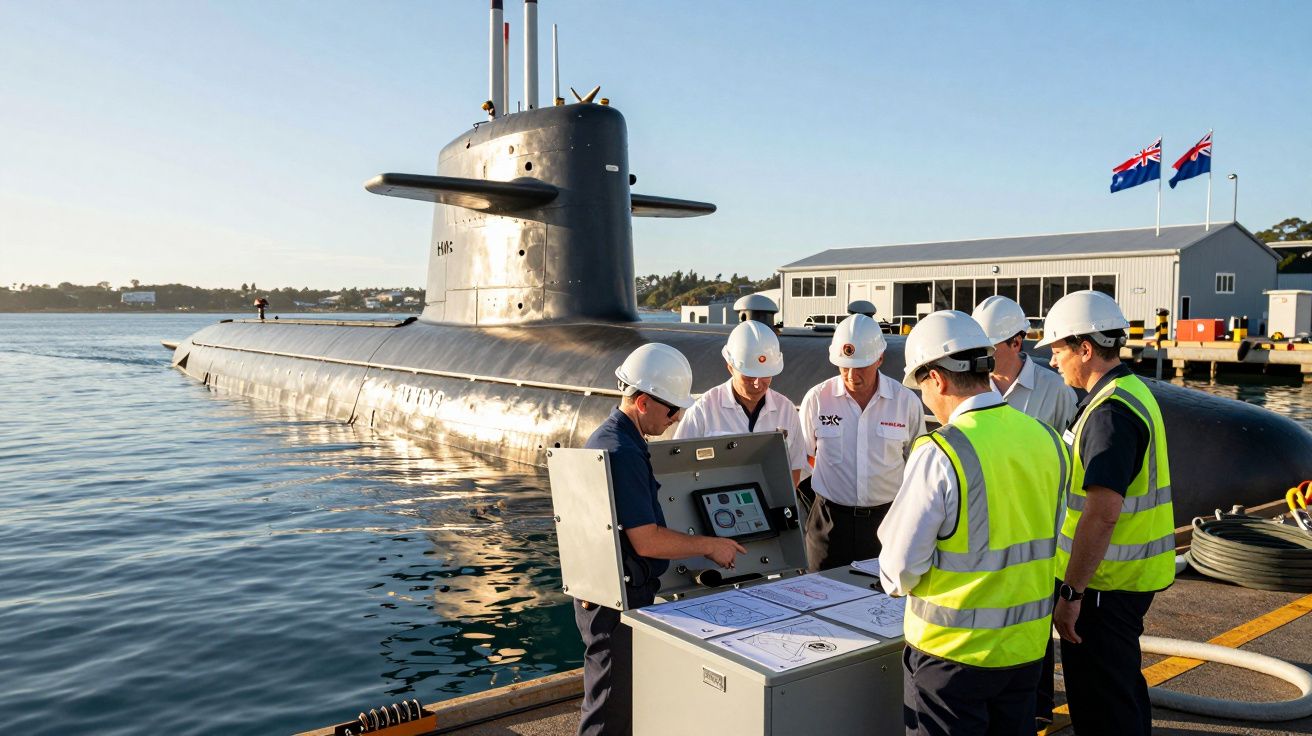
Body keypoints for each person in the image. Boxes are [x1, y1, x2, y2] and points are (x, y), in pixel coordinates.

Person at [879, 311, 1068, 736]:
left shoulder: (941, 451)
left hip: (952, 658)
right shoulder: (1048, 440)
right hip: (1024, 652)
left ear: (937, 379)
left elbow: (899, 570)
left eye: (920, 385)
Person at [575, 343, 746, 736]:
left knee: (619, 700)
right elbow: (647, 541)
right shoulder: (622, 451)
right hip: (615, 600)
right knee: (608, 709)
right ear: (642, 402)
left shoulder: (615, 438)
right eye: (672, 409)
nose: (678, 417)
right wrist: (710, 545)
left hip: (611, 590)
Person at [1038, 290, 1175, 736]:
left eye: (1058, 349)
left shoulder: (1109, 413)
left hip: (1103, 585)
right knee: (1120, 690)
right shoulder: (1131, 392)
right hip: (1123, 581)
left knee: (1101, 707)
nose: (1054, 361)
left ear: (1085, 348)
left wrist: (1072, 594)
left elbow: (1102, 513)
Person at [798, 314, 925, 570]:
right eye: (845, 367)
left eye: (861, 367)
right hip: (828, 524)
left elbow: (917, 464)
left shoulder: (906, 402)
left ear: (880, 358)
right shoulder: (816, 399)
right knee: (818, 595)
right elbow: (803, 458)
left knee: (884, 601)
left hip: (887, 523)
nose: (852, 376)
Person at [673, 320, 808, 486]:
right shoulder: (703, 410)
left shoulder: (786, 410)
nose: (758, 383)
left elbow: (794, 468)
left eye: (766, 375)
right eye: (749, 376)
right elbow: (678, 468)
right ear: (730, 367)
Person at [971, 295, 1078, 431]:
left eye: (987, 348)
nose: (979, 355)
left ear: (1016, 343)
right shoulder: (970, 387)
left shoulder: (1057, 390)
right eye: (976, 348)